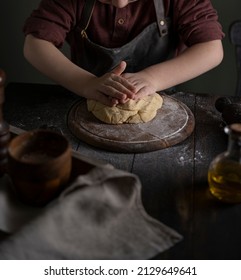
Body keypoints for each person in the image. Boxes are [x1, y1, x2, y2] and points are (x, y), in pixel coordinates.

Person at [23, 0, 224, 106]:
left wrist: (151, 78)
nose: (120, 2)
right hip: (81, 102)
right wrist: (86, 84)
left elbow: (212, 49)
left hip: (164, 102)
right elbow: (35, 45)